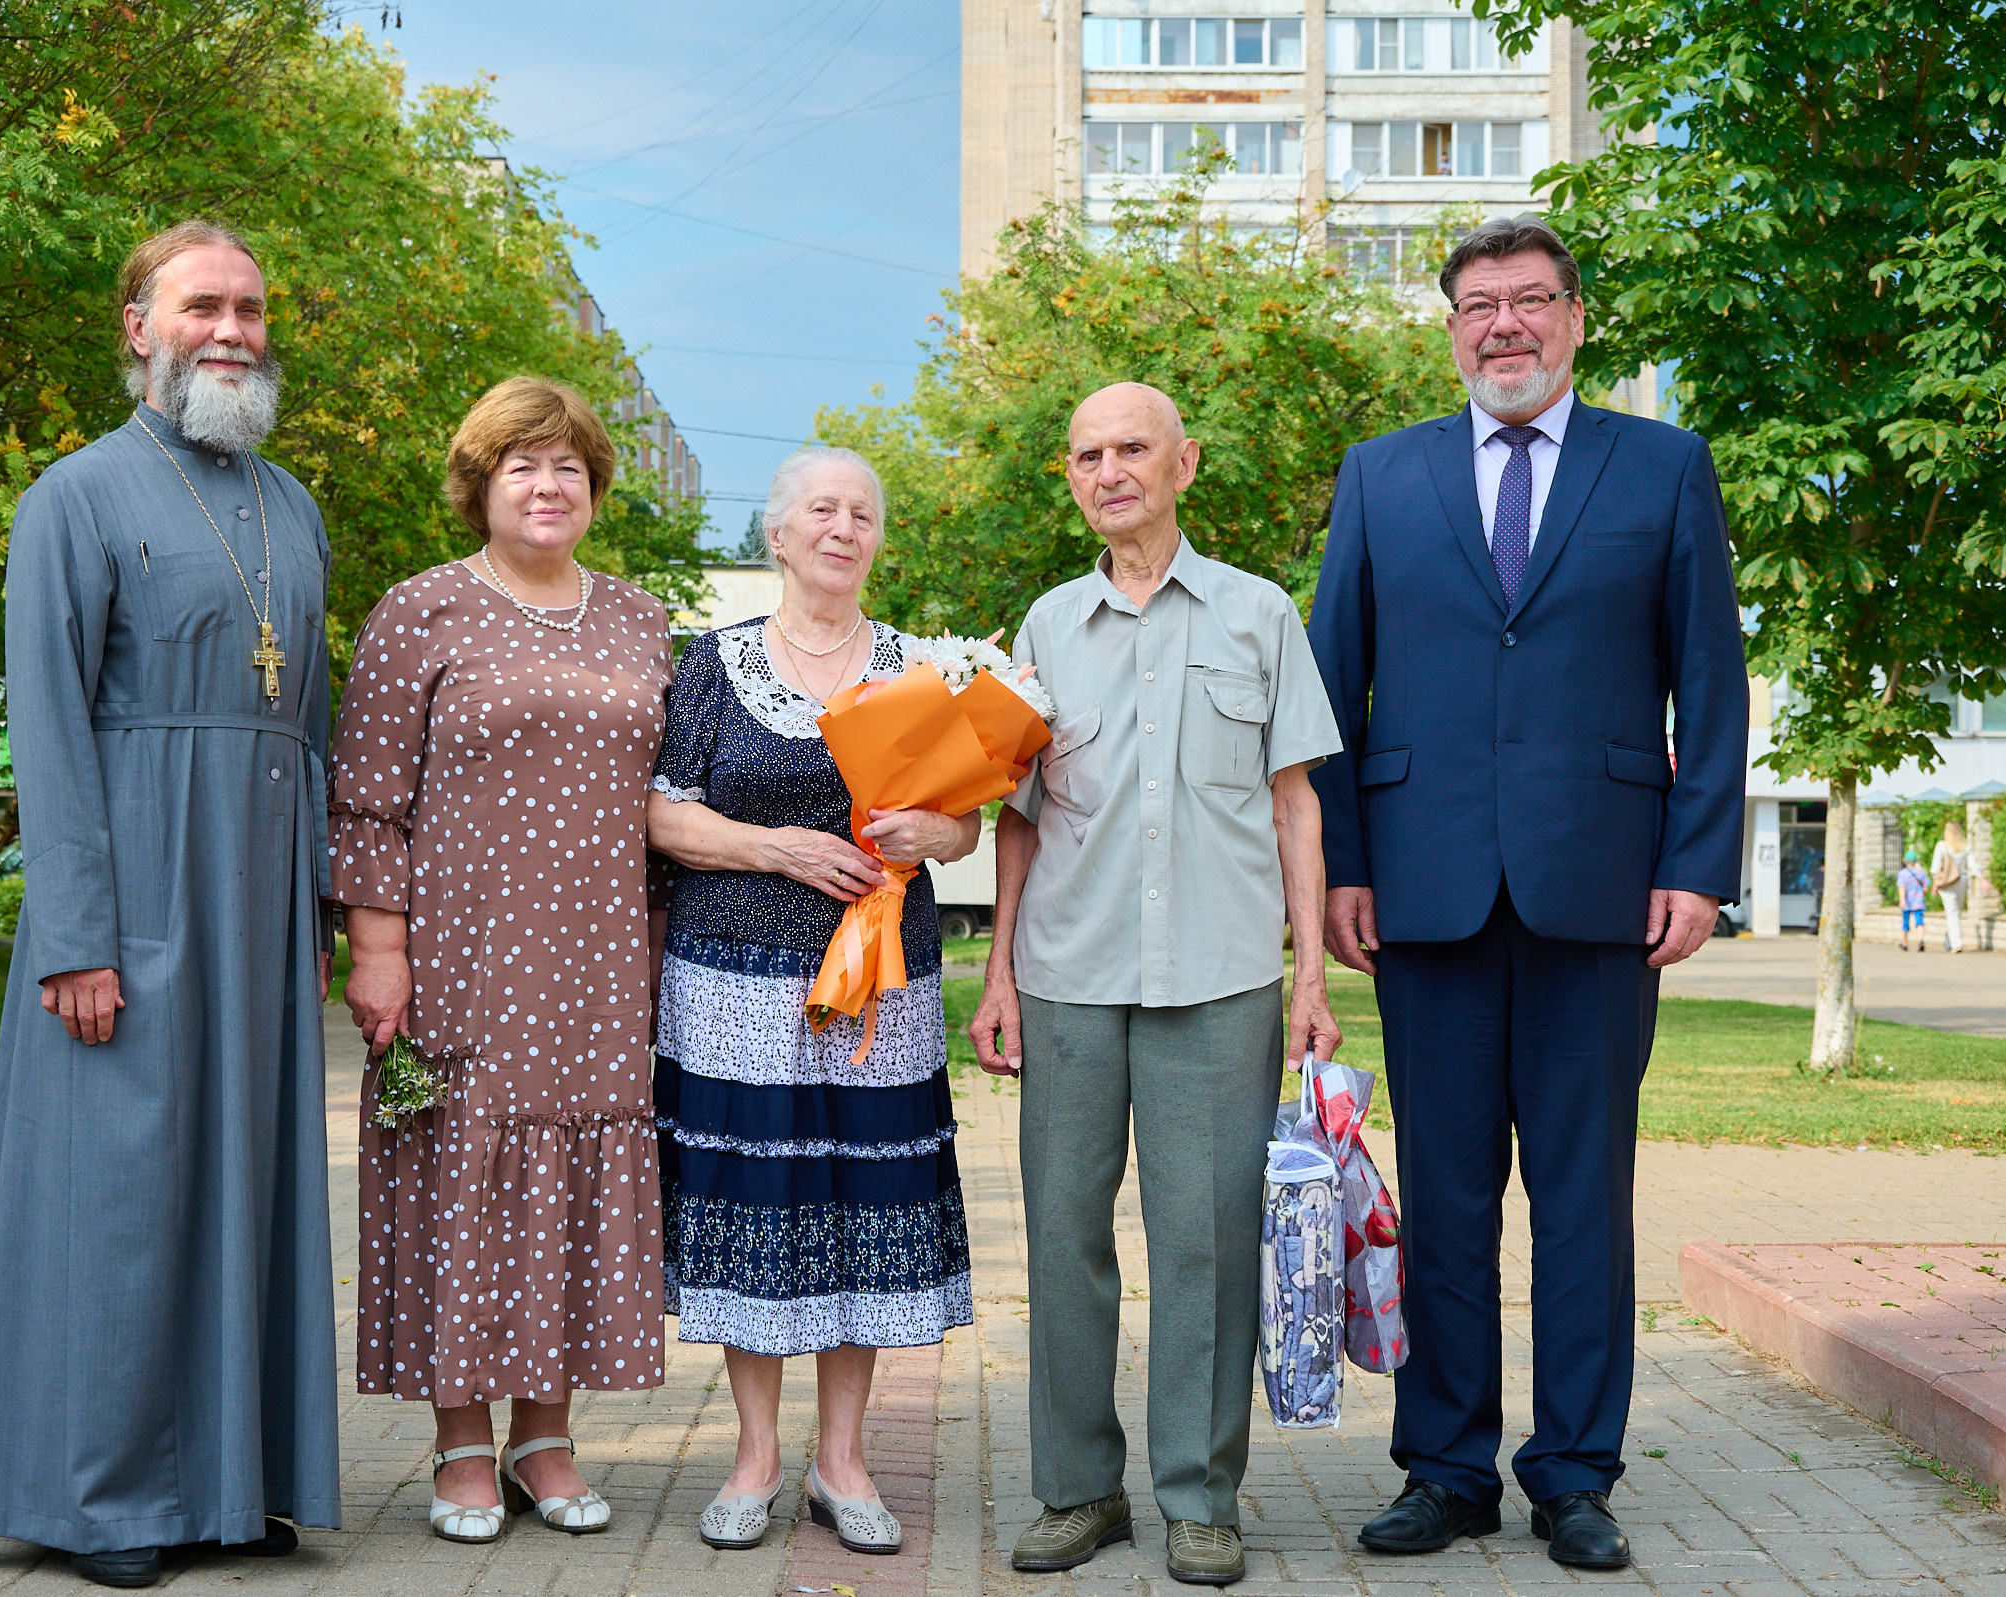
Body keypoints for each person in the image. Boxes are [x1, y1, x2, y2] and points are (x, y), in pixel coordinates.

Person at [1309, 215, 1748, 1572]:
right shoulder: (1382, 477)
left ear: (1574, 319)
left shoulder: (1665, 467)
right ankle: (1446, 1469)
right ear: (1451, 329)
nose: (1507, 324)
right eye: (1480, 304)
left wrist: (1698, 864)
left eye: (1533, 300)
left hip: (1603, 894)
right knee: (1443, 1201)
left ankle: (1573, 1473)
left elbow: (1712, 684)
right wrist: (1342, 865)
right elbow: (1333, 684)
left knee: (1581, 1199)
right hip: (1424, 894)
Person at [0, 221, 339, 1589]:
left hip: (263, 892)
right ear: (138, 327)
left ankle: (241, 1481)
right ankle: (108, 1503)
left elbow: (315, 727)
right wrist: (74, 937)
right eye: (203, 306)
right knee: (125, 1193)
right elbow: (46, 730)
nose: (232, 329)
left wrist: (330, 913)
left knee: (248, 1185)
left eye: (250, 309)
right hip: (142, 886)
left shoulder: (294, 505)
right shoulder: (78, 496)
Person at [966, 383, 1344, 1588]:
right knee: (1066, 1236)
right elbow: (1016, 818)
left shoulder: (1259, 612)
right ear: (1070, 477)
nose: (1110, 468)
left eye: (1133, 447)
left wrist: (1310, 979)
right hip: (1069, 978)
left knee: (1208, 1245)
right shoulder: (1044, 626)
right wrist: (1001, 972)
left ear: (1184, 461)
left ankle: (1199, 1494)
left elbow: (1296, 804)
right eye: (1087, 452)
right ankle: (1079, 1491)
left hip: (1222, 977)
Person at [329, 376, 671, 1545]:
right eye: (522, 464)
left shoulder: (639, 619)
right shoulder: (419, 611)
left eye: (569, 464)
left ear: (594, 487)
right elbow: (367, 802)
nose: (548, 483)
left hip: (602, 960)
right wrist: (378, 948)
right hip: (461, 954)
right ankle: (462, 1441)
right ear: (482, 484)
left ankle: (546, 1436)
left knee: (570, 1186)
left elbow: (669, 799)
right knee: (459, 1183)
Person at [648, 446, 977, 1558]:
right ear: (779, 535)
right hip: (734, 979)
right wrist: (778, 849)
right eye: (821, 511)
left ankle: (843, 1462)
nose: (844, 527)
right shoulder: (711, 662)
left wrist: (944, 834)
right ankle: (753, 1457)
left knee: (860, 1203)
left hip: (882, 980)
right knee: (757, 1203)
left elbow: (961, 821)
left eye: (864, 513)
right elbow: (664, 816)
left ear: (878, 538)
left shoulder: (919, 670)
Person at [1932, 821, 1969, 952]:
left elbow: (1935, 868)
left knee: (1952, 912)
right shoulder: (1965, 846)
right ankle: (1950, 940)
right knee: (1955, 912)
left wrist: (1935, 883)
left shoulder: (1942, 846)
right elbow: (1973, 864)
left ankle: (1956, 943)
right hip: (1963, 880)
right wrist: (1981, 878)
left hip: (1948, 883)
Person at [1897, 848, 1932, 951]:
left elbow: (1902, 888)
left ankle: (1904, 943)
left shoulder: (1903, 873)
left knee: (1905, 922)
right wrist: (1920, 893)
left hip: (1907, 902)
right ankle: (1921, 940)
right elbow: (1926, 887)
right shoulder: (1920, 872)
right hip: (1918, 901)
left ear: (1905, 861)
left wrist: (1902, 900)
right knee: (1919, 921)